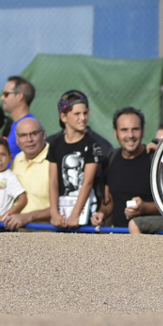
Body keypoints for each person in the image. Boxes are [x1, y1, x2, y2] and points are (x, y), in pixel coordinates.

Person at [48, 90, 103, 229]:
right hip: (62, 215)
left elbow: (88, 182)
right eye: (77, 114)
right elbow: (53, 181)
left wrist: (75, 214)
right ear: (64, 117)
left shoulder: (93, 145)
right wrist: (54, 213)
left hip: (86, 215)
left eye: (85, 113)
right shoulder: (54, 145)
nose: (83, 118)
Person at [100, 107, 160, 231]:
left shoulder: (155, 160)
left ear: (143, 131)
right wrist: (101, 214)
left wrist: (145, 208)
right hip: (118, 241)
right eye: (124, 130)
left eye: (135, 129)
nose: (130, 135)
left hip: (152, 242)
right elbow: (110, 202)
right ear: (115, 133)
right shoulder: (110, 160)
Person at [4, 116, 52, 230]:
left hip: (48, 238)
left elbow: (64, 206)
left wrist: (29, 217)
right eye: (23, 135)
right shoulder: (16, 160)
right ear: (17, 139)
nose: (29, 139)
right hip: (18, 236)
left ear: (43, 134)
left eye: (34, 133)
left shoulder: (56, 160)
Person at [1, 75, 36, 156]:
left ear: (19, 96)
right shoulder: (16, 124)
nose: (2, 97)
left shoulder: (29, 127)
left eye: (6, 94)